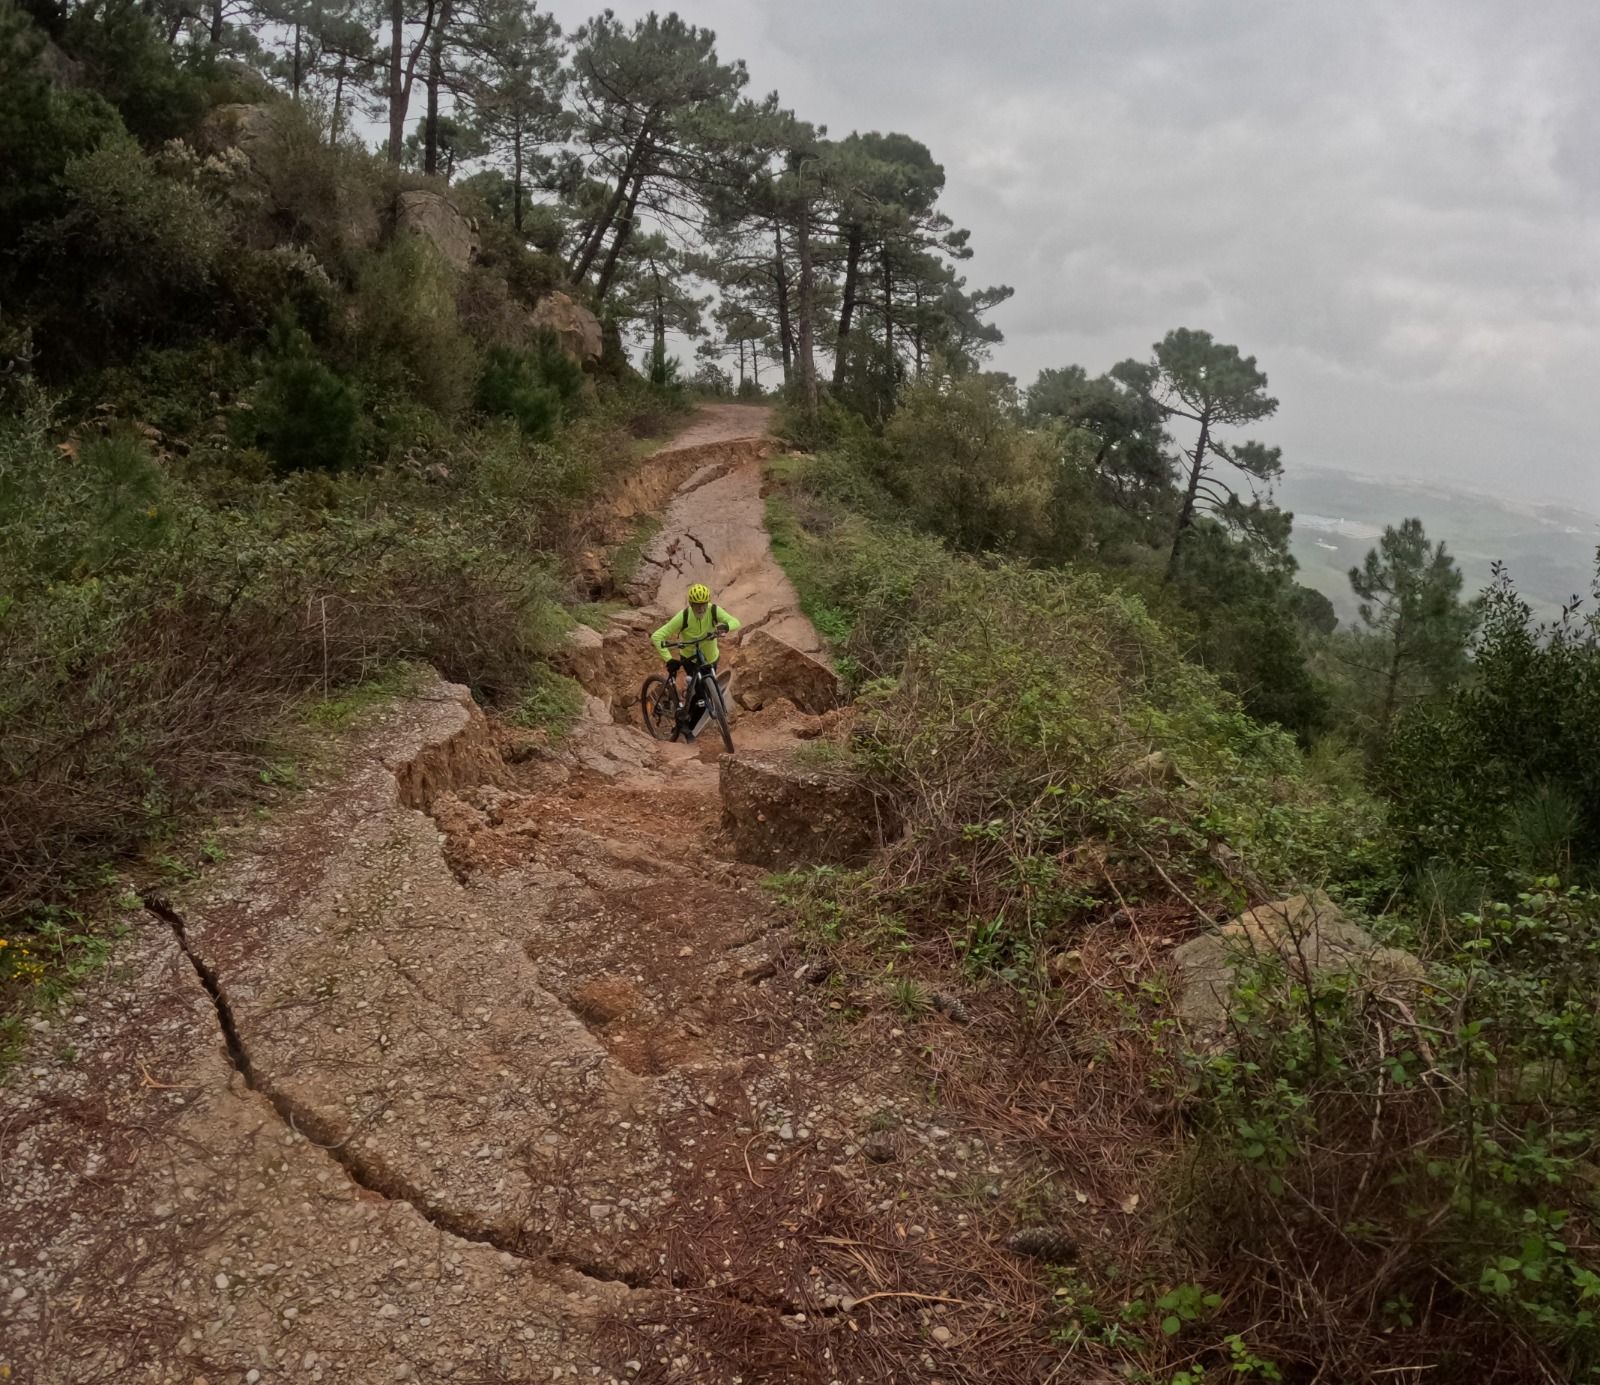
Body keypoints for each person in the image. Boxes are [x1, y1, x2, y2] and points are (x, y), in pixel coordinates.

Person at [651, 583, 741, 737]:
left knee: (705, 689)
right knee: (701, 693)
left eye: (703, 605)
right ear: (691, 604)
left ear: (707, 602)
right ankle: (686, 726)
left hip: (711, 658)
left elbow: (735, 622)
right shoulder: (684, 616)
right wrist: (668, 659)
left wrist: (725, 627)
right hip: (690, 659)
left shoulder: (713, 611)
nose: (700, 609)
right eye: (697, 605)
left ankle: (694, 694)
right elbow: (657, 636)